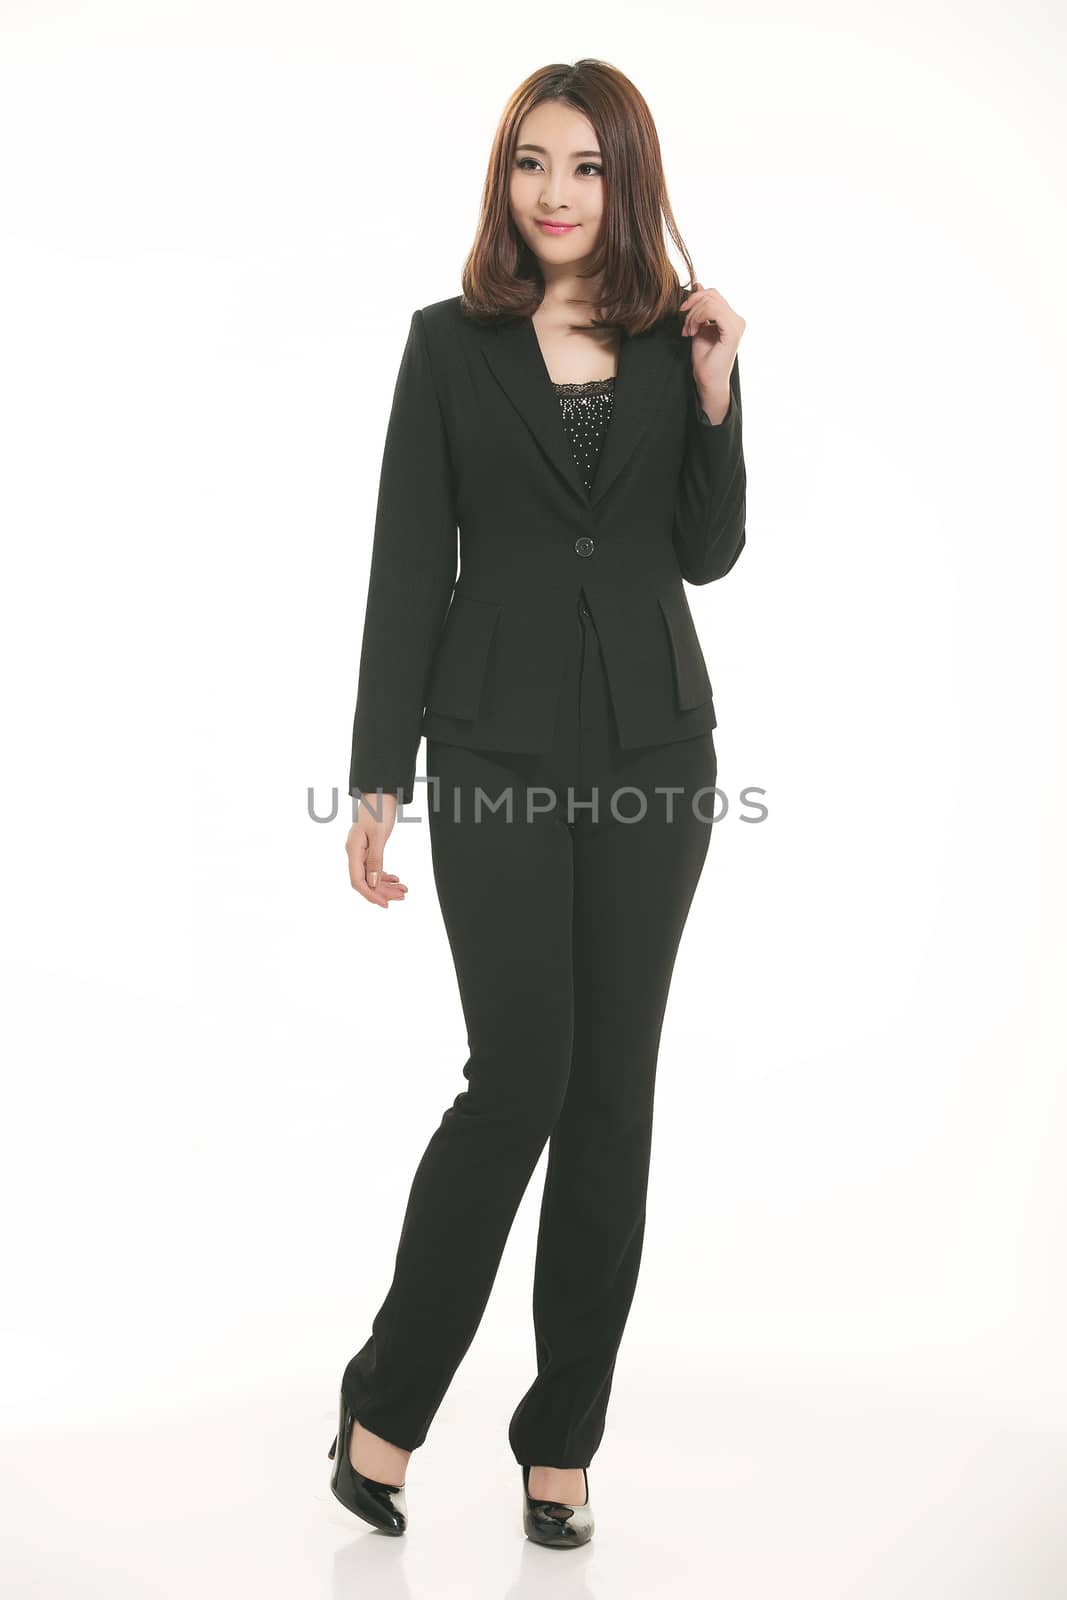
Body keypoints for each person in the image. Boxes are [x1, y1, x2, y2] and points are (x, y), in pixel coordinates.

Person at [331, 57, 747, 1547]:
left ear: (625, 179)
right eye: (530, 164)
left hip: (655, 756)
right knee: (520, 1076)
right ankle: (383, 1403)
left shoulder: (675, 340)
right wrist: (378, 771)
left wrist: (714, 393)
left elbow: (705, 553)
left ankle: (561, 1444)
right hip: (496, 751)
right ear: (505, 181)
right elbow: (406, 569)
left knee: (610, 1100)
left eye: (582, 167)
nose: (554, 194)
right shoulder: (449, 348)